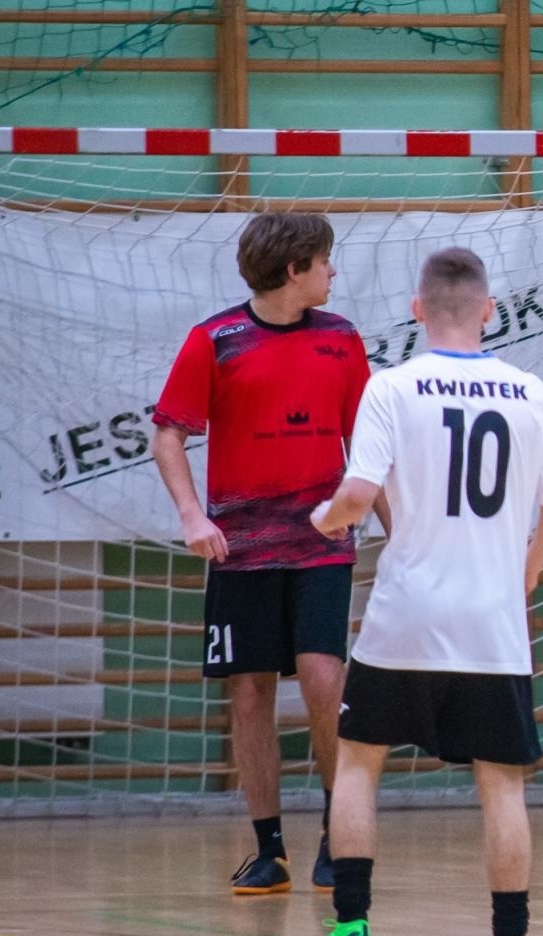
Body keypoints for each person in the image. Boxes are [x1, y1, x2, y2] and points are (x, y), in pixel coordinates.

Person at [298, 247, 543, 936]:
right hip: (492, 622)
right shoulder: (530, 392)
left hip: (406, 616)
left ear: (417, 310)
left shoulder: (392, 387)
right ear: (488, 310)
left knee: (359, 760)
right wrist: (521, 579)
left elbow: (357, 496)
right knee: (502, 785)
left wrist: (325, 520)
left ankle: (352, 926)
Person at [151, 212, 388, 893]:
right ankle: (267, 848)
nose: (332, 272)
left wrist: (400, 533)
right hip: (241, 552)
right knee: (250, 693)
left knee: (322, 678)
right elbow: (168, 436)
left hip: (321, 545)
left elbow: (368, 453)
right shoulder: (214, 340)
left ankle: (333, 833)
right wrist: (192, 515)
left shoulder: (341, 341)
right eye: (324, 261)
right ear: (295, 270)